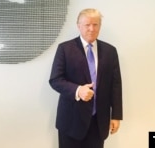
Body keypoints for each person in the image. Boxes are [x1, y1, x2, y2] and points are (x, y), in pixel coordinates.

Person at [49, 8, 123, 148]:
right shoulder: (65, 49)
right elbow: (55, 79)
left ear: (100, 26)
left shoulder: (110, 51)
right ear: (79, 26)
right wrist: (78, 90)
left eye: (95, 24)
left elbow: (116, 85)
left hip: (99, 122)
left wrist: (116, 116)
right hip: (71, 122)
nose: (91, 28)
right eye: (87, 24)